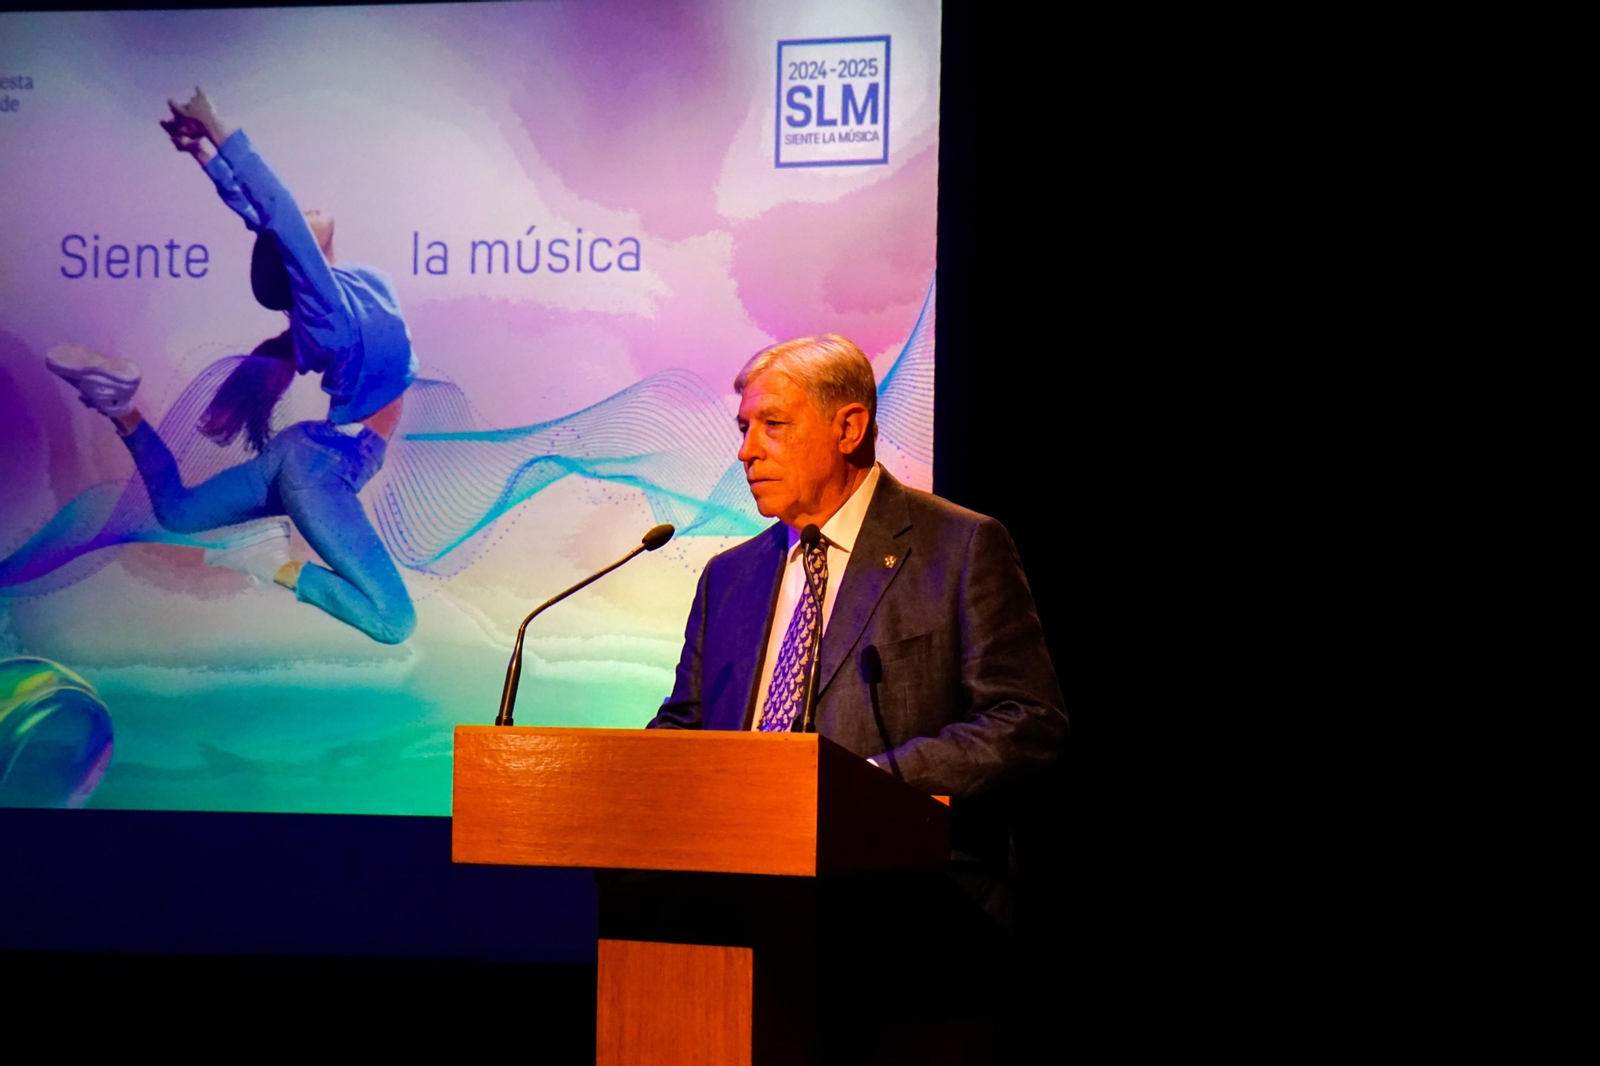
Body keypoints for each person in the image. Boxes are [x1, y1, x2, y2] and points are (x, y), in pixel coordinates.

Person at [44, 89, 418, 644]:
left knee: (178, 512)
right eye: (297, 228)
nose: (304, 213)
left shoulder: (352, 285)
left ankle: (120, 409)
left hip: (310, 452)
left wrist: (203, 157)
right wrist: (216, 126)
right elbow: (277, 212)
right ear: (297, 268)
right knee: (395, 622)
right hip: (328, 466)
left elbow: (263, 221)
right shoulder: (328, 318)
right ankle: (276, 566)